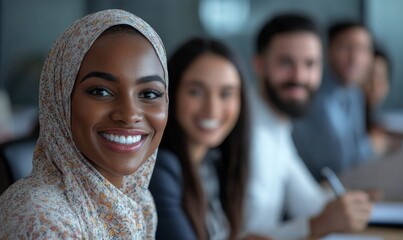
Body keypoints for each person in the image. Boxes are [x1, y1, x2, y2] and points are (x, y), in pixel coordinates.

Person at [0, 9, 168, 239]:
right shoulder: (43, 218)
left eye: (149, 94)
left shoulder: (138, 200)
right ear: (59, 99)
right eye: (100, 91)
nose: (129, 114)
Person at [243, 14, 372, 239]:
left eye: (310, 64)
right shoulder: (246, 130)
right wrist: (318, 224)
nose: (300, 76)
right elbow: (245, 235)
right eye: (286, 62)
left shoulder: (277, 124)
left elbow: (309, 202)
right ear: (259, 65)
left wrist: (348, 207)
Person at [149, 38, 250, 240]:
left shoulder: (213, 161)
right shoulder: (160, 169)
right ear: (171, 94)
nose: (212, 109)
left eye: (226, 93)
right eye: (195, 92)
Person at [292, 21, 374, 180]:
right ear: (327, 50)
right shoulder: (315, 96)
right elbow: (338, 163)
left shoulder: (354, 93)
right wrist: (374, 145)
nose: (354, 58)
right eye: (345, 47)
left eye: (363, 49)